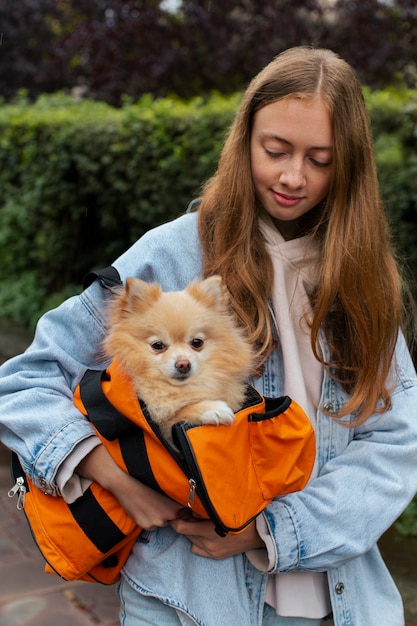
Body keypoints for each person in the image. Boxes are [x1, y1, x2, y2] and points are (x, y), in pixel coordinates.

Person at [0, 46, 416, 626]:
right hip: (187, 599)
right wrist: (115, 478)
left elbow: (394, 443)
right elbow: (25, 380)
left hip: (341, 600)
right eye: (276, 150)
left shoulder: (364, 278)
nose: (293, 176)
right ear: (245, 139)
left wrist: (268, 531)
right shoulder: (172, 253)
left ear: (349, 164)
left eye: (320, 160)